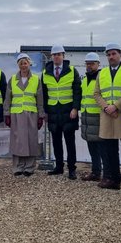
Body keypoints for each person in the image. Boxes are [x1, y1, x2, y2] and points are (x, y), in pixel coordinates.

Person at [93, 43, 121, 195]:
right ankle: (115, 180)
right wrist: (106, 107)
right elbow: (97, 93)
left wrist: (117, 106)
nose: (111, 57)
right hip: (107, 116)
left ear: (120, 55)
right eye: (108, 54)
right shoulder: (102, 73)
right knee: (110, 151)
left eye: (114, 54)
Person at [42, 44, 82, 180]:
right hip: (53, 111)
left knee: (70, 142)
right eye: (54, 55)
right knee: (56, 141)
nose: (56, 57)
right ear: (51, 56)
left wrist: (75, 108)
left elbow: (77, 91)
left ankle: (72, 169)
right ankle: (59, 167)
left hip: (68, 111)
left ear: (63, 56)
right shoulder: (45, 72)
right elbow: (45, 94)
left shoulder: (71, 70)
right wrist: (46, 112)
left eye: (59, 54)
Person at [3, 53, 46, 176]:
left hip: (31, 114)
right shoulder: (12, 80)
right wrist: (6, 114)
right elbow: (8, 98)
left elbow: (40, 99)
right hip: (16, 115)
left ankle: (29, 167)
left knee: (31, 140)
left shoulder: (36, 80)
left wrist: (40, 116)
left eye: (25, 63)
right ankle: (17, 167)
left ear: (29, 64)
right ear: (18, 65)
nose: (23, 65)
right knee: (17, 141)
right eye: (21, 63)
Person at [80, 52, 104, 181]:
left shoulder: (101, 78)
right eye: (87, 63)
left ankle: (104, 173)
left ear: (98, 64)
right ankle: (95, 172)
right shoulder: (85, 79)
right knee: (92, 147)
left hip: (97, 116)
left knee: (101, 147)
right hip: (87, 117)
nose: (89, 66)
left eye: (92, 63)